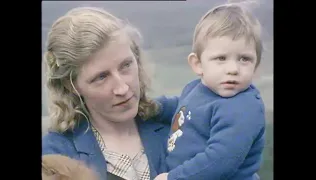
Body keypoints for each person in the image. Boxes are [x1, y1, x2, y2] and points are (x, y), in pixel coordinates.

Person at [42, 7, 179, 180]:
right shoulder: (55, 158)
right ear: (70, 86)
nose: (122, 88)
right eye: (101, 77)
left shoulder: (177, 121)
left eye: (126, 65)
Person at [155, 2, 266, 180]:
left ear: (256, 67)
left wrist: (174, 178)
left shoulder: (243, 108)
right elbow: (184, 107)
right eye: (221, 58)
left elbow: (220, 160)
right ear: (198, 64)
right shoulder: (196, 88)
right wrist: (155, 107)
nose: (233, 69)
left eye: (244, 59)